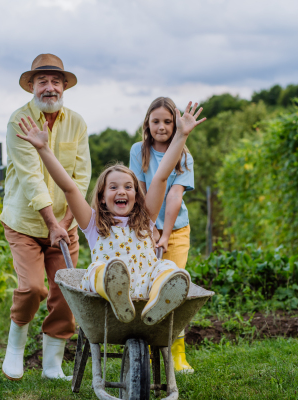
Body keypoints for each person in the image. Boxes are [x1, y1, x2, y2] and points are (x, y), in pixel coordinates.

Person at [16, 102, 205, 328]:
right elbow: (69, 188)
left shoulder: (146, 219)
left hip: (143, 289)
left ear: (137, 194)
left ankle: (158, 302)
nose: (121, 191)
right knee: (100, 269)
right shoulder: (94, 223)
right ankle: (116, 290)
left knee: (168, 268)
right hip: (106, 295)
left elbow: (162, 176)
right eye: (113, 187)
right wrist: (43, 149)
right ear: (102, 196)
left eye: (128, 187)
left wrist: (181, 135)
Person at [0, 54, 91, 381]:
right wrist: (51, 223)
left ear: (64, 86)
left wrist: (65, 224)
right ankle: (15, 347)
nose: (49, 87)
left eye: (55, 81)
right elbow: (30, 178)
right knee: (33, 288)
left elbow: (81, 177)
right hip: (25, 222)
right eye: (42, 81)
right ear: (31, 86)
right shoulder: (19, 121)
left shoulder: (77, 123)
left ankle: (52, 365)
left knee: (67, 292)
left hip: (64, 225)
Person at [129, 97, 196, 373]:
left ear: (176, 125)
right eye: (156, 121)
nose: (162, 127)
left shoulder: (184, 156)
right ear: (147, 123)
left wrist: (165, 234)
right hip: (145, 228)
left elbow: (174, 197)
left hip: (176, 230)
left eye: (168, 122)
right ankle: (145, 349)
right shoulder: (139, 150)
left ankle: (176, 353)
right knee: (145, 286)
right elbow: (140, 190)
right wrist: (150, 229)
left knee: (172, 289)